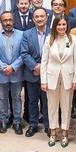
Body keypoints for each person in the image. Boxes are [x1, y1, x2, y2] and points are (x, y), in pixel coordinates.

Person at [41, 16, 76, 148]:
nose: (62, 27)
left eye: (64, 24)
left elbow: (75, 61)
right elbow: (44, 62)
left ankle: (65, 133)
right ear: (55, 26)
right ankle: (52, 133)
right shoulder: (49, 40)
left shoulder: (73, 39)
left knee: (66, 106)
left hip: (68, 78)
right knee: (52, 106)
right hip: (51, 78)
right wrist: (43, 81)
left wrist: (75, 80)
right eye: (59, 25)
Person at [0, 11, 25, 134]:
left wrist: (13, 67)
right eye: (5, 20)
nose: (8, 22)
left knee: (16, 98)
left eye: (10, 20)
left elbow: (24, 53)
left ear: (14, 21)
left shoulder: (21, 35)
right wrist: (3, 67)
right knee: (2, 98)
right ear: (1, 22)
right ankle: (3, 121)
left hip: (16, 73)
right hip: (1, 73)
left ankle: (17, 122)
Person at [21, 7, 50, 137]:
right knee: (32, 101)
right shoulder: (27, 34)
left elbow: (56, 54)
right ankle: (33, 125)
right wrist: (35, 67)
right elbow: (24, 53)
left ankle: (49, 125)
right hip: (32, 73)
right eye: (37, 17)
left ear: (46, 17)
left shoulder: (53, 33)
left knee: (47, 101)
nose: (39, 19)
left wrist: (42, 68)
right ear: (33, 19)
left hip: (49, 74)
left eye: (42, 16)